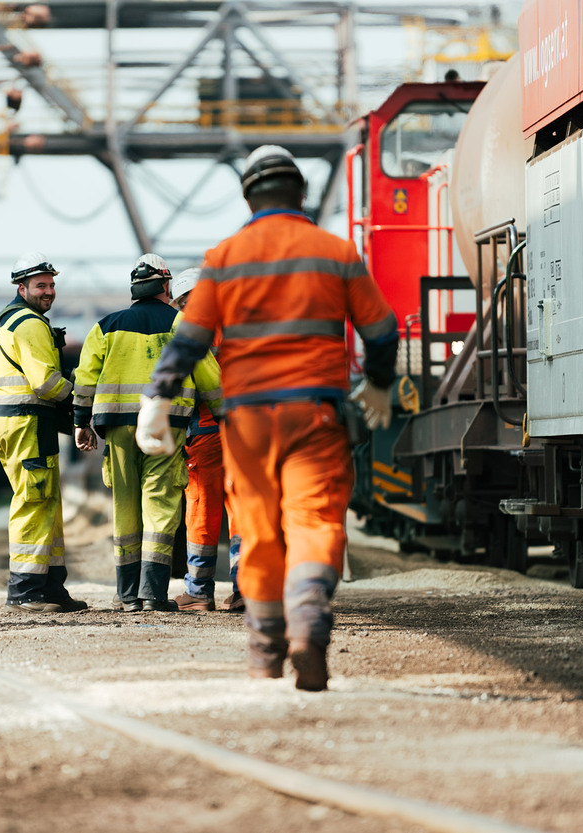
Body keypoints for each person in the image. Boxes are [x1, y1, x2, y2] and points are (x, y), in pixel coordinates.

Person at [137, 146, 398, 690]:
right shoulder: (336, 252)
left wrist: (158, 399)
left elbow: (190, 338)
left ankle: (265, 646)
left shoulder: (225, 257)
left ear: (248, 197)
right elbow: (380, 330)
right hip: (317, 414)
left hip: (248, 420)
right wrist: (378, 383)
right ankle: (308, 624)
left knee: (256, 528)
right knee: (315, 521)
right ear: (301, 194)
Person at [72, 254, 223, 613]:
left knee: (125, 507)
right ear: (166, 286)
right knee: (160, 504)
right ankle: (152, 593)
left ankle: (127, 595)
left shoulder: (106, 326)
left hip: (117, 428)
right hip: (164, 426)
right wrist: (223, 414)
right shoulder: (181, 323)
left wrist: (81, 421)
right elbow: (208, 375)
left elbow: (85, 376)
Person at [0, 251, 88, 613]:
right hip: (27, 424)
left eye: (51, 284)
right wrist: (81, 398)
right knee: (33, 501)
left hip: (21, 423)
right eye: (40, 285)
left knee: (46, 501)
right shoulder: (29, 323)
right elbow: (45, 382)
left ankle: (50, 586)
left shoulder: (9, 320)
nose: (48, 291)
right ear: (22, 288)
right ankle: (25, 591)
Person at [168, 267, 244, 613]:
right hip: (242, 431)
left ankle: (198, 592)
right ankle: (246, 589)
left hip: (206, 430)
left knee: (201, 510)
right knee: (242, 509)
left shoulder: (191, 330)